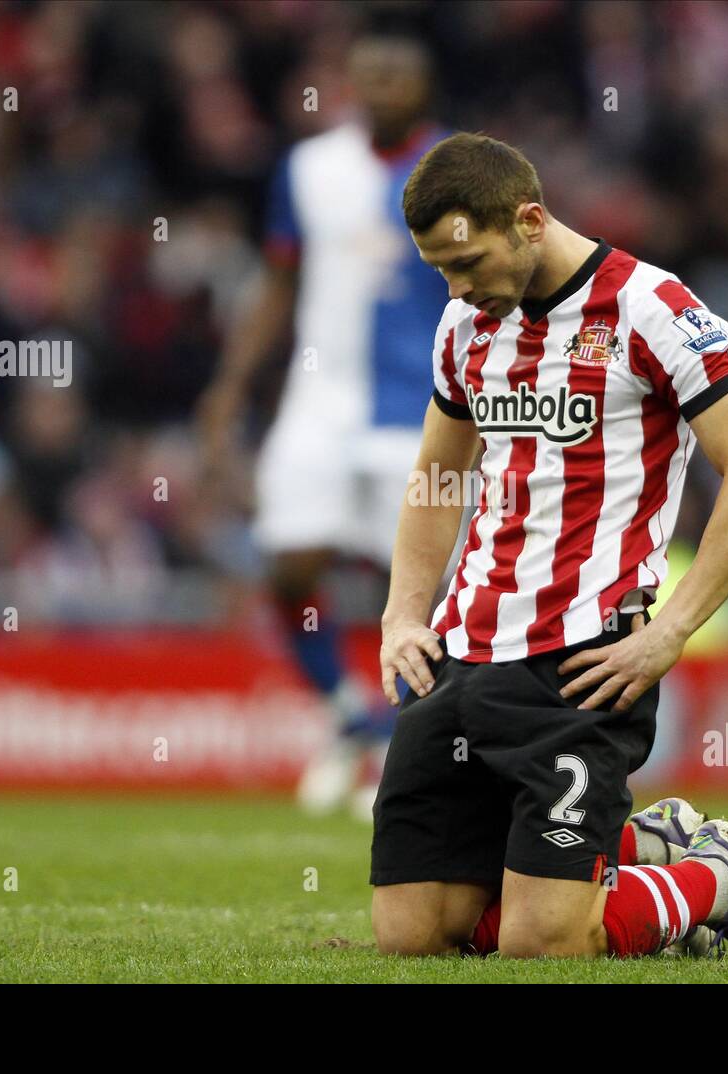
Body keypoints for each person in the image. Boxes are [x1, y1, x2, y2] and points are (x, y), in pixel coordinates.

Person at [370, 133, 728, 959]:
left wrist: (668, 632)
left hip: (579, 662)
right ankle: (645, 844)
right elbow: (434, 479)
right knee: (416, 938)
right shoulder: (464, 327)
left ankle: (717, 882)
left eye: (468, 263)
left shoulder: (654, 308)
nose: (457, 288)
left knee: (540, 946)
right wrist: (401, 615)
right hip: (458, 657)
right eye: (440, 271)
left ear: (530, 220)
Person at [197, 33, 449, 817]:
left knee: (416, 588)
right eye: (370, 73)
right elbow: (278, 284)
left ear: (424, 84)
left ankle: (400, 752)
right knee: (289, 564)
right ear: (350, 83)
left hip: (425, 408)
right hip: (320, 399)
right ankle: (352, 716)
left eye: (398, 74)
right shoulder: (309, 170)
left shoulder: (458, 171)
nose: (383, 87)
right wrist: (231, 388)